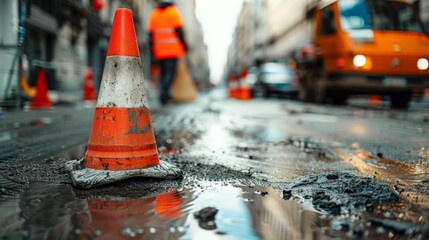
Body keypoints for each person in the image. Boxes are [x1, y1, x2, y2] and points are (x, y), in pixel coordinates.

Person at [148, 0, 188, 104]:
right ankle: (163, 90)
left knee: (164, 72)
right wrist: (184, 44)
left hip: (159, 50)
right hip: (171, 49)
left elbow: (150, 34)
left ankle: (165, 94)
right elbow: (179, 30)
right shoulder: (173, 12)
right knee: (170, 73)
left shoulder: (154, 13)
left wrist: (152, 49)